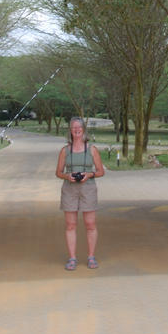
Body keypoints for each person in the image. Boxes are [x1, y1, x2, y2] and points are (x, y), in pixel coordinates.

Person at [56, 116, 105, 270]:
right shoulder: (65, 151)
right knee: (71, 225)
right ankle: (72, 258)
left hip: (88, 188)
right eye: (73, 127)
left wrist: (89, 174)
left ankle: (91, 257)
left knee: (90, 224)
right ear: (70, 130)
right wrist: (67, 176)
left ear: (83, 129)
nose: (76, 130)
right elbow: (58, 172)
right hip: (69, 189)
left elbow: (101, 171)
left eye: (79, 127)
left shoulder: (92, 150)